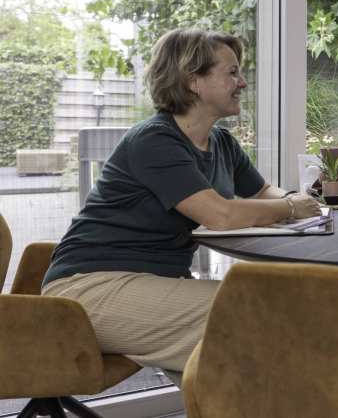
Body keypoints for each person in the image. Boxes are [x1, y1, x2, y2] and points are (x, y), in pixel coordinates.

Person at [41, 29, 321, 385]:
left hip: (154, 281)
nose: (243, 82)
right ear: (193, 82)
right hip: (89, 289)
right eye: (231, 72)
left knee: (224, 373)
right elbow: (219, 215)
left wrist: (307, 200)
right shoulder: (154, 140)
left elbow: (264, 190)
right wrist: (291, 208)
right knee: (253, 308)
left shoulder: (220, 142)